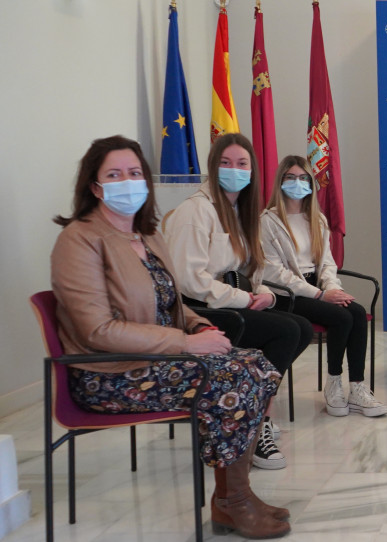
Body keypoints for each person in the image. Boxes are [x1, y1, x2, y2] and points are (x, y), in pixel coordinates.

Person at [50, 136, 290, 538]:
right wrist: (186, 343)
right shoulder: (78, 240)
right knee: (231, 377)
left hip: (155, 360)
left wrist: (198, 326)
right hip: (107, 374)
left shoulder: (147, 236)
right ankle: (235, 502)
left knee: (258, 366)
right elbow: (98, 330)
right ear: (94, 186)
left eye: (134, 173)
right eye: (114, 174)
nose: (127, 181)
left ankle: (231, 497)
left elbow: (172, 306)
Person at [163, 133, 312, 470]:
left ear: (252, 169)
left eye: (242, 163)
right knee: (285, 333)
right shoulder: (194, 212)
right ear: (214, 167)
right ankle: (253, 425)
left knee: (300, 328)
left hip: (228, 301)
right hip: (199, 311)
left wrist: (259, 292)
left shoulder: (236, 209)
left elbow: (247, 265)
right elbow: (190, 281)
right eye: (226, 163)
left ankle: (255, 411)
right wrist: (244, 298)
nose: (235, 170)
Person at [261, 155, 386, 417]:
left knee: (357, 313)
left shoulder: (316, 219)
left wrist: (332, 288)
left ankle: (357, 388)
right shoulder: (268, 221)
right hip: (287, 295)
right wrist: (320, 294)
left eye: (304, 178)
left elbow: (327, 263)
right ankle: (333, 384)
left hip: (318, 289)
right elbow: (275, 273)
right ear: (280, 182)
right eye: (291, 178)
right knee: (341, 317)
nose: (298, 183)